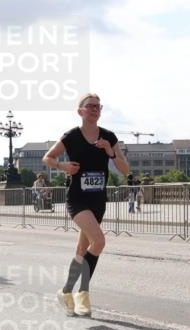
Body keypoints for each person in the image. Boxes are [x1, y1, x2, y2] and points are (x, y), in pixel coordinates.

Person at [43, 93, 129, 317]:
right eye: (90, 106)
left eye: (98, 107)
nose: (95, 109)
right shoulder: (72, 136)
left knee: (82, 250)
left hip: (98, 199)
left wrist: (110, 152)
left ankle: (65, 292)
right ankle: (83, 293)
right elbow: (48, 158)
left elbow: (125, 169)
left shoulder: (109, 137)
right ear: (80, 111)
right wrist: (63, 167)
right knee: (98, 241)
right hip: (77, 198)